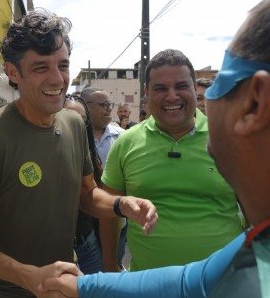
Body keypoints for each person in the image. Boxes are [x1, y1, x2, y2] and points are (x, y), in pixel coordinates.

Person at [39, 0, 270, 297]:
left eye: (222, 80)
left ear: (256, 103)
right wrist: (87, 286)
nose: (207, 97)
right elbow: (192, 282)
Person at [0, 9, 158, 298]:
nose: (58, 79)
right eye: (41, 67)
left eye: (63, 65)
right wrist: (27, 276)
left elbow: (87, 194)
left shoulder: (72, 123)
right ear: (12, 72)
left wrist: (121, 204)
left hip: (62, 286)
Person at [99, 49, 243, 272]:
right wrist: (110, 264)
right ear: (146, 93)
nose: (172, 96)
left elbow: (256, 212)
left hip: (223, 283)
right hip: (146, 285)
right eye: (161, 88)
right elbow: (110, 209)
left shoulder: (230, 139)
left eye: (181, 86)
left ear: (194, 90)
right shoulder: (126, 142)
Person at [80, 88, 128, 269]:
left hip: (116, 216)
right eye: (103, 104)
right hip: (84, 220)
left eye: (110, 104)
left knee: (114, 263)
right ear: (85, 106)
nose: (108, 109)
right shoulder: (77, 137)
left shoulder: (122, 138)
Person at [63, 95, 104, 275]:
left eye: (82, 121)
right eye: (69, 118)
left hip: (87, 244)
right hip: (51, 251)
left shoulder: (91, 158)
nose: (76, 125)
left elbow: (95, 199)